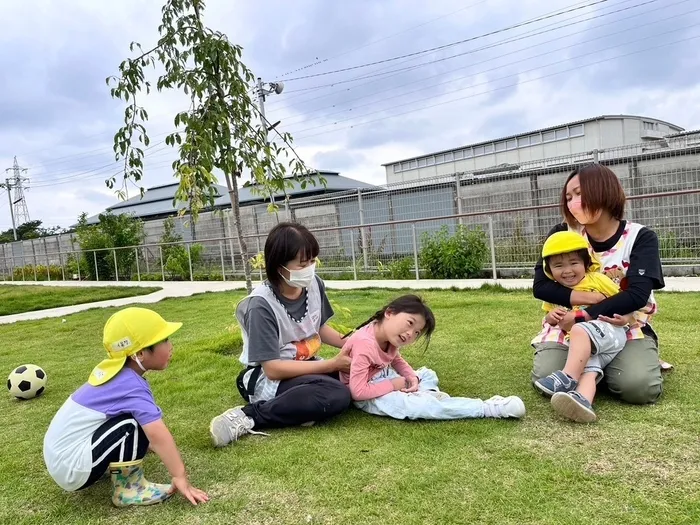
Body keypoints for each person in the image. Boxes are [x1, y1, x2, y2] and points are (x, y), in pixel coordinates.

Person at [43, 307, 209, 508]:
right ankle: (129, 489)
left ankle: (113, 468)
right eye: (164, 340)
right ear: (139, 353)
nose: (170, 345)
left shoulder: (119, 377)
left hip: (66, 460)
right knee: (130, 425)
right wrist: (179, 475)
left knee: (134, 422)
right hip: (71, 467)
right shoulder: (129, 386)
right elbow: (157, 434)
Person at [531, 163, 665, 405]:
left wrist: (585, 315)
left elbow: (637, 295)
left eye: (579, 194)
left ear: (604, 191)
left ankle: (607, 366)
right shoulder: (563, 233)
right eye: (568, 196)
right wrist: (590, 300)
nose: (573, 202)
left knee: (639, 388)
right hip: (567, 325)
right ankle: (597, 368)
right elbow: (541, 286)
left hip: (623, 322)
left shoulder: (640, 237)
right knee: (545, 376)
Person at [209, 222, 352, 448]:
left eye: (312, 261)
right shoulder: (261, 305)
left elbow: (320, 328)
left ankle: (297, 408)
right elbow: (273, 369)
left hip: (306, 367)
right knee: (337, 394)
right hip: (269, 377)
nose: (310, 268)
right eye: (302, 263)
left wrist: (354, 344)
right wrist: (332, 365)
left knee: (352, 380)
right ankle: (248, 416)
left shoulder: (314, 285)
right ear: (278, 265)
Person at [340, 294, 526, 420]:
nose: (409, 334)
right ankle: (488, 408)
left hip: (384, 378)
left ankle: (426, 394)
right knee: (417, 408)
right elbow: (357, 393)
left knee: (426, 374)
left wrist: (411, 377)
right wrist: (394, 385)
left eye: (416, 332)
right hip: (370, 394)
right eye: (409, 323)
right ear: (389, 313)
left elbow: (395, 359)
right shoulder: (365, 343)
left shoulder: (385, 335)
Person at [532, 231, 637, 423]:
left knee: (580, 328)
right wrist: (551, 316)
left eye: (574, 263)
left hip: (610, 332)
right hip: (588, 345)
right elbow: (549, 317)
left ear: (586, 263)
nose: (567, 270)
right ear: (549, 270)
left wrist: (626, 318)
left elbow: (626, 301)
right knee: (588, 368)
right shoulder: (555, 291)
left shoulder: (597, 280)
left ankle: (567, 377)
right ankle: (582, 402)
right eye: (558, 265)